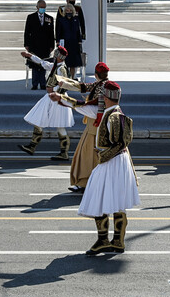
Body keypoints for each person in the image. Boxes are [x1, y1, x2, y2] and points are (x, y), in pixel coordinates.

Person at [78, 81, 140, 255]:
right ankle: (117, 241)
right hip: (117, 161)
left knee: (99, 198)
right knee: (117, 201)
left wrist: (103, 156)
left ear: (105, 97)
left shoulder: (113, 116)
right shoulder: (113, 112)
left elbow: (120, 143)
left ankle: (105, 240)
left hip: (112, 161)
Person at [49, 62, 110, 193]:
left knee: (85, 158)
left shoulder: (101, 87)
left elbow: (90, 108)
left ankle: (84, 183)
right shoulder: (103, 84)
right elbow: (82, 87)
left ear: (95, 74)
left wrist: (64, 99)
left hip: (95, 127)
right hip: (98, 126)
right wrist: (64, 84)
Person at [18, 46, 74, 160]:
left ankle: (62, 153)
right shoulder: (56, 66)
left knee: (56, 125)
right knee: (46, 121)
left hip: (56, 98)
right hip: (53, 97)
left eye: (56, 53)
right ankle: (34, 147)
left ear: (59, 56)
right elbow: (43, 63)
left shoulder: (61, 68)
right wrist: (30, 56)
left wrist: (54, 91)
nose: (54, 54)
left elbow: (65, 84)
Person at [24, 0, 54, 90]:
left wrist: (52, 45)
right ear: (37, 7)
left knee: (43, 64)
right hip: (34, 44)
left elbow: (51, 33)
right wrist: (26, 44)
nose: (42, 9)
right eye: (41, 7)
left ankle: (43, 83)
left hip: (45, 45)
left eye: (44, 7)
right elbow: (27, 32)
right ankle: (35, 83)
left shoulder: (49, 18)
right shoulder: (31, 17)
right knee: (34, 64)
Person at [55, 3, 83, 78]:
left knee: (73, 64)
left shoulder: (76, 19)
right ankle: (65, 78)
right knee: (65, 63)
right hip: (65, 44)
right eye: (67, 10)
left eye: (70, 10)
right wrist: (57, 42)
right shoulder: (61, 20)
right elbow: (58, 32)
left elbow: (78, 32)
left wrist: (80, 42)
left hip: (74, 44)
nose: (69, 12)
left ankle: (72, 78)